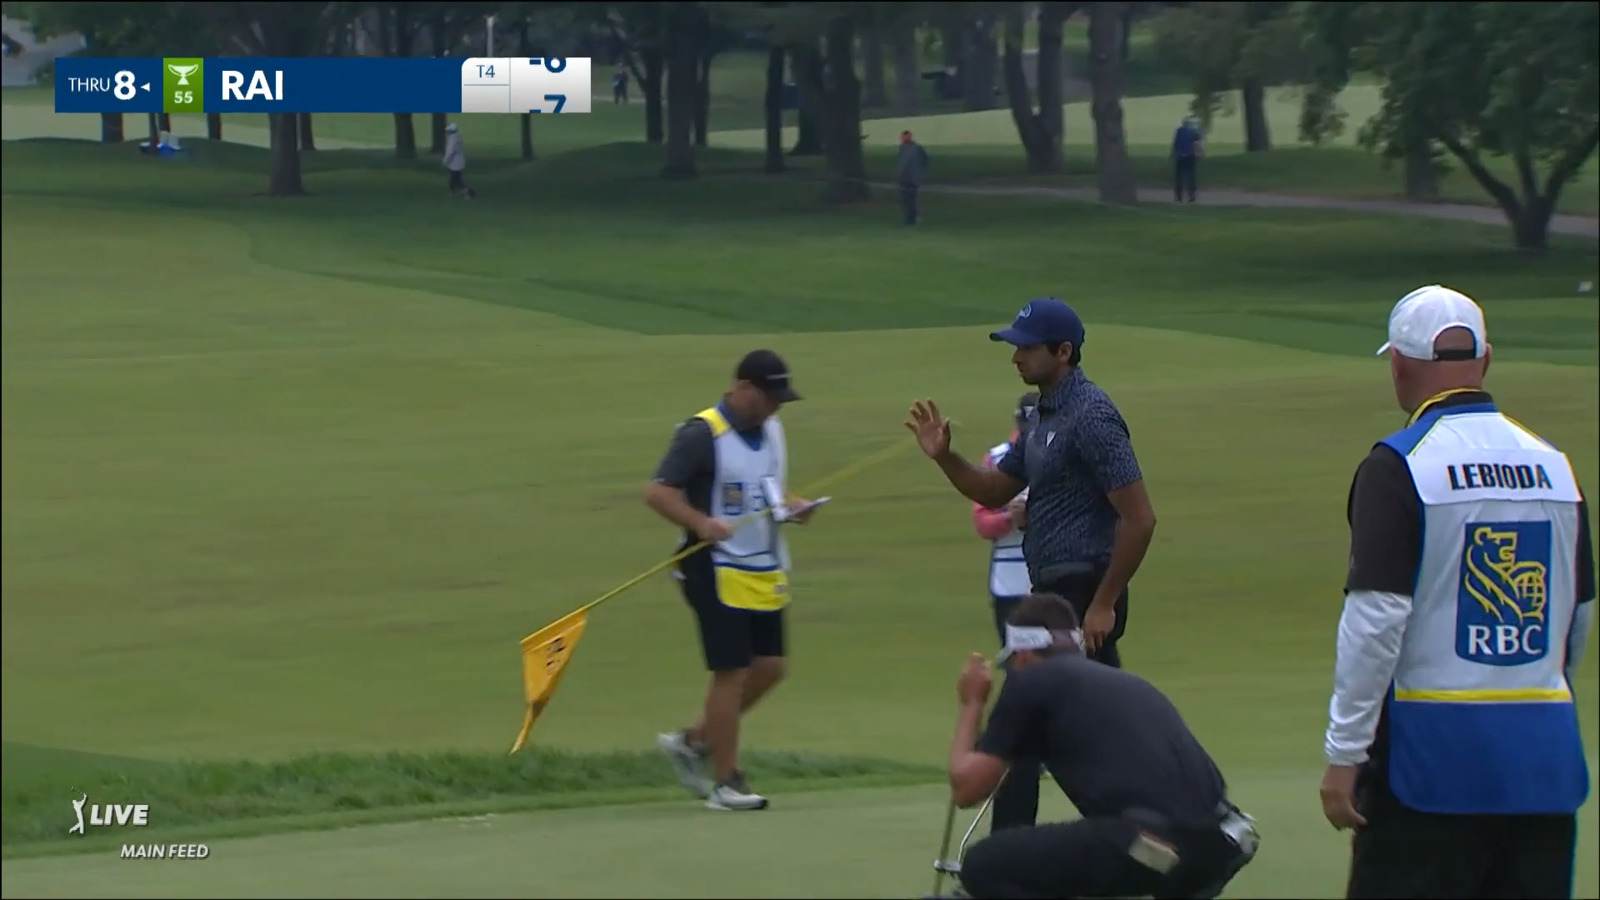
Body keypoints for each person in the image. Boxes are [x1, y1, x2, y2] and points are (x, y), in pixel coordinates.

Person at [1321, 284, 1595, 898]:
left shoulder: (1399, 466)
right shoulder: (1555, 465)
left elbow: (1376, 619)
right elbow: (1577, 613)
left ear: (1398, 365)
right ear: (1487, 359)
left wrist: (1345, 752)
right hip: (1542, 764)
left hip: (1428, 768)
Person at [906, 297, 1158, 831]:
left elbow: (1139, 519)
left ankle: (1020, 858)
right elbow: (995, 489)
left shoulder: (1092, 415)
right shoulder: (1044, 415)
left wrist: (1104, 604)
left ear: (1063, 352)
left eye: (1026, 348)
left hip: (1082, 591)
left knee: (1026, 727)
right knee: (1083, 731)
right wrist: (946, 457)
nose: (1015, 357)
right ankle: (1143, 840)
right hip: (1052, 594)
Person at [948, 594, 1259, 899]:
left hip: (1150, 844)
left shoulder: (1029, 681)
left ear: (1023, 655)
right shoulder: (1127, 684)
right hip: (1222, 843)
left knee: (983, 865)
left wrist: (972, 702)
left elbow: (966, 789)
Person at [648, 349, 825, 812]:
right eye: (769, 398)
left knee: (771, 668)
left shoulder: (773, 431)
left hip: (763, 565)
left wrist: (793, 505)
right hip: (711, 564)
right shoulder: (701, 433)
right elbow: (659, 492)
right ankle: (727, 781)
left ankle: (692, 742)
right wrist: (700, 522)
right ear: (743, 388)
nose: (774, 408)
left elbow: (766, 489)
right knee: (731, 672)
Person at [973, 393, 1040, 643]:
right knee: (1017, 664)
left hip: (1054, 576)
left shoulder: (1065, 455)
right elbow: (981, 522)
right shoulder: (996, 459)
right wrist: (1009, 518)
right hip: (1009, 580)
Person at [897, 130, 930, 226]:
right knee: (905, 200)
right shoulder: (902, 148)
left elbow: (925, 160)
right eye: (902, 137)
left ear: (910, 137)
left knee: (912, 200)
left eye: (905, 137)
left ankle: (913, 219)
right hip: (903, 179)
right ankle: (908, 218)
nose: (903, 139)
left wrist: (921, 173)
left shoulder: (917, 148)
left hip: (913, 179)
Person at [1171, 116, 1203, 203]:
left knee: (1179, 176)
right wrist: (1199, 154)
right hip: (1190, 156)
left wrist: (1173, 154)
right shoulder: (1194, 131)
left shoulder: (1179, 131)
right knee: (1191, 176)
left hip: (1180, 156)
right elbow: (1197, 143)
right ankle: (1191, 196)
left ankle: (1178, 197)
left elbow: (1175, 144)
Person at [443, 122, 475, 198]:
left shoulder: (453, 139)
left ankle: (469, 193)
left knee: (456, 180)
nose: (447, 132)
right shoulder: (458, 136)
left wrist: (445, 161)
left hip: (455, 164)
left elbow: (450, 152)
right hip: (458, 162)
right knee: (454, 179)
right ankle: (453, 192)